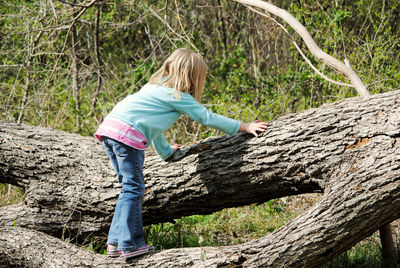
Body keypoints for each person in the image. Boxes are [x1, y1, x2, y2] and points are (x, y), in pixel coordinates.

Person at [94, 48, 268, 259]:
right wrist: (244, 126)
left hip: (110, 130)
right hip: (127, 136)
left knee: (128, 189)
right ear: (192, 77)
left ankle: (115, 243)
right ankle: (129, 245)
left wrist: (166, 153)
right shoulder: (178, 96)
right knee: (134, 189)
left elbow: (154, 130)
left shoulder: (153, 88)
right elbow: (207, 117)